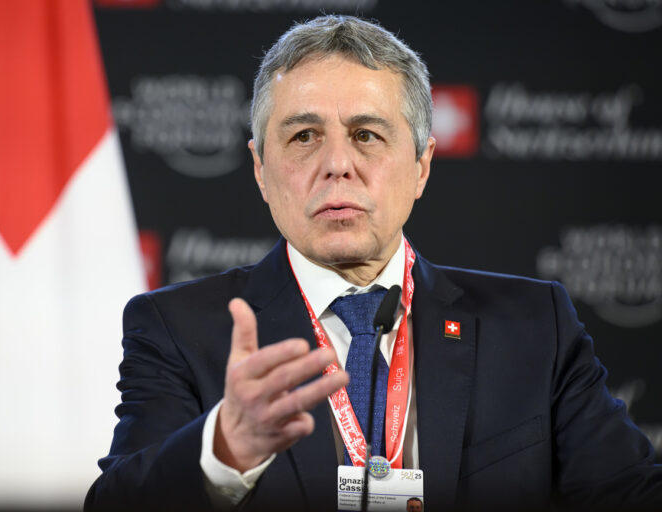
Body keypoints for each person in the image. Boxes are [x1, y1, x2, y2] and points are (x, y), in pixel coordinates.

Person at [85, 15, 662, 512]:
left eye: (366, 134)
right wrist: (225, 450)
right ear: (261, 169)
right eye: (305, 135)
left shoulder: (534, 325)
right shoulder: (178, 329)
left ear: (421, 165)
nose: (337, 164)